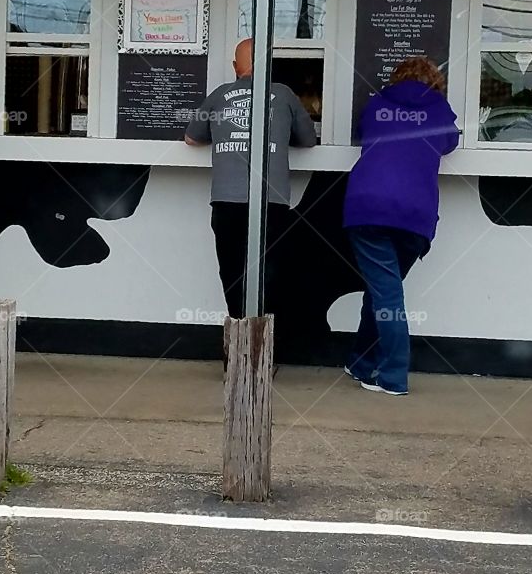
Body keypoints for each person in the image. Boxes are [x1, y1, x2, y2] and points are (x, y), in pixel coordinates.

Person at [344, 56, 459, 396]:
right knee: (385, 290)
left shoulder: (378, 104)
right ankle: (362, 363)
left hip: (368, 206)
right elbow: (449, 143)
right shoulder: (439, 109)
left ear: (397, 78)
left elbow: (361, 134)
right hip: (414, 215)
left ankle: (393, 375)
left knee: (385, 292)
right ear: (435, 81)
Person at [185, 38, 317, 318]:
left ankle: (237, 335)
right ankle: (263, 341)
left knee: (232, 269)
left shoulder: (220, 94)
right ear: (269, 65)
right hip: (272, 200)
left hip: (226, 199)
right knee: (269, 270)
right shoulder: (283, 94)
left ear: (235, 66)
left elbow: (191, 138)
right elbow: (308, 140)